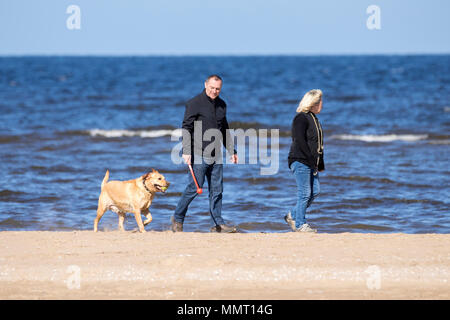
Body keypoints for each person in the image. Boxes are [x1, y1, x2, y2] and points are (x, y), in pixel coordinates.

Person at [171, 75, 238, 233]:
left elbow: (224, 129)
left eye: (217, 89)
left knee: (217, 190)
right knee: (194, 187)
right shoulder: (194, 103)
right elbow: (186, 127)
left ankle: (217, 224)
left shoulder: (222, 105)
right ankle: (177, 218)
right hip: (198, 152)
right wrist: (186, 151)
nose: (214, 91)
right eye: (212, 88)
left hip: (216, 154)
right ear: (205, 85)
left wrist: (231, 150)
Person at [285, 89, 325, 233]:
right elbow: (299, 140)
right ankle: (300, 224)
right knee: (305, 193)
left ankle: (293, 215)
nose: (322, 105)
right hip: (300, 160)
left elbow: (318, 144)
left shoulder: (314, 119)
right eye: (320, 102)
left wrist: (320, 164)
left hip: (311, 162)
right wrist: (310, 160)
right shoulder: (301, 118)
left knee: (315, 191)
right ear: (314, 103)